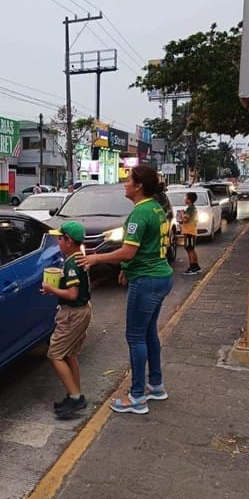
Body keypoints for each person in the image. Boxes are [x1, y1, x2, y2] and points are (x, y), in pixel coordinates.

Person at [78, 164, 173, 415]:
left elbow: (129, 251)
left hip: (147, 281)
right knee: (149, 333)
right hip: (159, 277)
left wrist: (96, 259)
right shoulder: (156, 208)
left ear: (139, 185)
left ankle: (137, 397)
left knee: (135, 337)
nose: (125, 183)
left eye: (128, 179)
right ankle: (156, 385)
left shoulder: (140, 213)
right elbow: (145, 249)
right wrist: (125, 269)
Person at [41, 220, 92, 419]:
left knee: (55, 355)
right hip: (82, 310)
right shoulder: (80, 257)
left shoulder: (71, 263)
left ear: (68, 241)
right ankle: (74, 394)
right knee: (70, 353)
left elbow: (72, 294)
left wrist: (51, 289)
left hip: (73, 313)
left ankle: (76, 397)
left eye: (60, 239)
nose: (58, 243)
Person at [181, 191, 201, 275]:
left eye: (185, 197)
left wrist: (182, 214)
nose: (184, 199)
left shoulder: (190, 209)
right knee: (191, 249)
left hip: (189, 231)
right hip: (192, 231)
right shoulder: (193, 208)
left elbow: (185, 219)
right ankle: (196, 266)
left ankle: (192, 267)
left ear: (189, 200)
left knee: (189, 249)